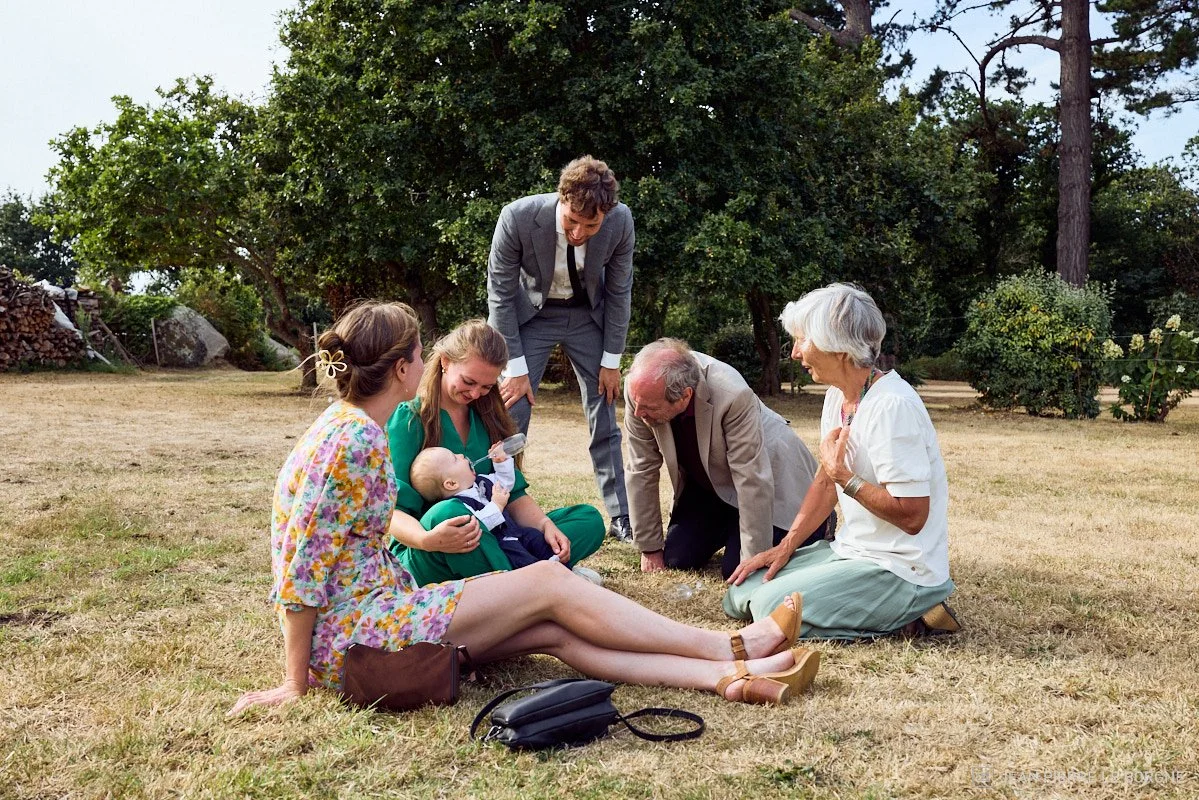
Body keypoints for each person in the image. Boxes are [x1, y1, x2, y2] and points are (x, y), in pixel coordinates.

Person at [228, 300, 821, 716]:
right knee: (549, 584)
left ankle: (726, 678)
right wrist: (294, 680)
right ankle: (730, 646)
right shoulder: (353, 439)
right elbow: (300, 566)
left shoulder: (353, 428)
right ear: (405, 366)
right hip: (359, 634)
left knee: (552, 630)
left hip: (381, 612)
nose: (426, 362)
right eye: (421, 352)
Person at [725, 283, 960, 639]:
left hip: (902, 569)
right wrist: (784, 548)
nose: (795, 353)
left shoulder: (892, 407)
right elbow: (825, 482)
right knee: (741, 593)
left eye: (802, 340)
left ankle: (914, 613)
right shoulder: (837, 397)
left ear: (837, 347)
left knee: (769, 609)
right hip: (852, 551)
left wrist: (845, 477)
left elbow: (913, 516)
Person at [386, 320, 604, 585]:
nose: (475, 393)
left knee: (587, 520)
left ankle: (532, 579)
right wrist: (427, 540)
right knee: (452, 514)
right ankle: (534, 586)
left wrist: (546, 526)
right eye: (469, 381)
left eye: (487, 387)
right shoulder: (409, 418)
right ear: (445, 362)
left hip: (499, 536)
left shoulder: (486, 416)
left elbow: (514, 495)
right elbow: (392, 512)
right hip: (435, 549)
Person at [487, 155, 634, 543]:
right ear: (561, 198)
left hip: (588, 317)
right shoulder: (517, 217)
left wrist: (612, 361)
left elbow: (619, 292)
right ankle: (499, 507)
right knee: (511, 411)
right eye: (572, 221)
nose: (579, 233)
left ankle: (621, 515)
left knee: (604, 408)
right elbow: (500, 295)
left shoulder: (621, 221)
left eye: (591, 225)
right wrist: (515, 368)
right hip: (531, 316)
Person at [623, 339, 831, 580]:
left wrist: (753, 560)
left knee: (736, 569)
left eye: (648, 407)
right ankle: (732, 527)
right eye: (637, 404)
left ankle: (820, 525)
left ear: (684, 396)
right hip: (713, 484)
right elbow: (641, 468)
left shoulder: (733, 394)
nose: (638, 413)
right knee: (677, 558)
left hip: (773, 482)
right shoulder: (641, 393)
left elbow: (751, 478)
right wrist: (649, 547)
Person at [409, 444, 603, 585]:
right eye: (454, 458)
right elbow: (479, 526)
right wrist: (497, 505)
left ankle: (562, 571)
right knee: (521, 559)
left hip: (516, 533)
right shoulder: (457, 506)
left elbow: (506, 483)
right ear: (451, 484)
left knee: (537, 539)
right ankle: (544, 582)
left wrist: (501, 463)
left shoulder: (481, 482)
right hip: (500, 545)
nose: (461, 454)